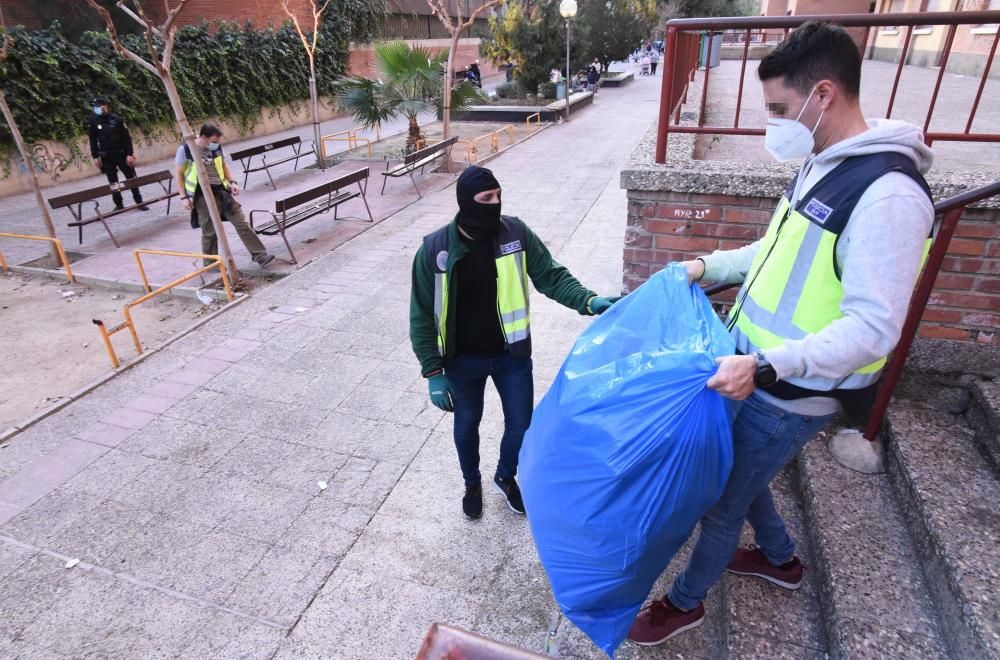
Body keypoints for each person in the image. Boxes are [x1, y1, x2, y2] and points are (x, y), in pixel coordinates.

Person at [627, 21, 934, 645]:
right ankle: (780, 559)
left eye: (779, 109)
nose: (773, 124)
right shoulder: (823, 163)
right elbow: (773, 252)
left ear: (823, 95)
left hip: (789, 391)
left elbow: (875, 329)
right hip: (751, 371)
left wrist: (765, 366)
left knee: (721, 503)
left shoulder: (889, 197)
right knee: (740, 475)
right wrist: (704, 267)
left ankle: (685, 604)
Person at [409, 166, 621, 520]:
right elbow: (420, 314)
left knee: (521, 424)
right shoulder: (434, 249)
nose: (495, 203)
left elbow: (550, 276)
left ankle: (505, 477)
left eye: (498, 195)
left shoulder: (515, 233)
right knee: (466, 425)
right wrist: (433, 371)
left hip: (511, 356)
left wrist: (588, 301)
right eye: (486, 198)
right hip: (462, 361)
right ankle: (471, 482)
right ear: (465, 202)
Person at [174, 124, 275, 268]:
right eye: (213, 141)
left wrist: (232, 182)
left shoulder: (216, 148)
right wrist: (184, 197)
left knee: (241, 223)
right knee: (210, 231)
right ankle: (211, 264)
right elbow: (178, 174)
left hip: (222, 191)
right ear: (203, 137)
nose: (216, 145)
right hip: (201, 195)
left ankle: (260, 255)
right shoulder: (186, 150)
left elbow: (224, 165)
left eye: (217, 141)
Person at [88, 97, 147, 211]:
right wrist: (95, 156)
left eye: (100, 106)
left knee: (130, 178)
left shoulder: (117, 119)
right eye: (95, 107)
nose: (98, 109)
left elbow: (127, 138)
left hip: (121, 153)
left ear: (106, 106)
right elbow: (93, 141)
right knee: (113, 181)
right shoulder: (93, 121)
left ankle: (139, 202)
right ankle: (119, 204)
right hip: (106, 156)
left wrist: (129, 154)